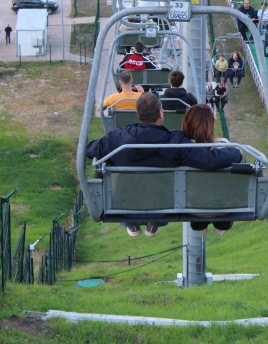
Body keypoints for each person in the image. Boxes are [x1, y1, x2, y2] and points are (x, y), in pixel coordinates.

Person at [86, 92, 241, 237]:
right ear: (160, 113)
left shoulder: (116, 139)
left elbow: (90, 150)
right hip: (161, 209)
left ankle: (131, 224)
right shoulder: (176, 144)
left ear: (138, 114)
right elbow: (210, 160)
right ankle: (152, 223)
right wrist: (236, 152)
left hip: (123, 208)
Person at [181, 104, 239, 236]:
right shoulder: (224, 147)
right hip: (222, 207)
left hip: (192, 208)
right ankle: (222, 224)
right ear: (210, 124)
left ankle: (198, 224)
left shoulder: (181, 150)